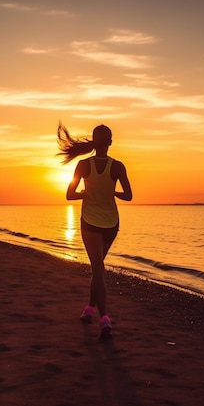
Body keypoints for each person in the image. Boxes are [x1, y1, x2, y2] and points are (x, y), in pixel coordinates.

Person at [57, 122, 133, 337]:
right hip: (111, 223)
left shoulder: (83, 165)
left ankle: (104, 318)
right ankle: (89, 310)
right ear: (110, 142)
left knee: (98, 270)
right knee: (98, 269)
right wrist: (112, 193)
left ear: (94, 141)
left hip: (90, 221)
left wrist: (86, 193)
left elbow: (69, 195)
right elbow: (128, 196)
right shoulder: (118, 166)